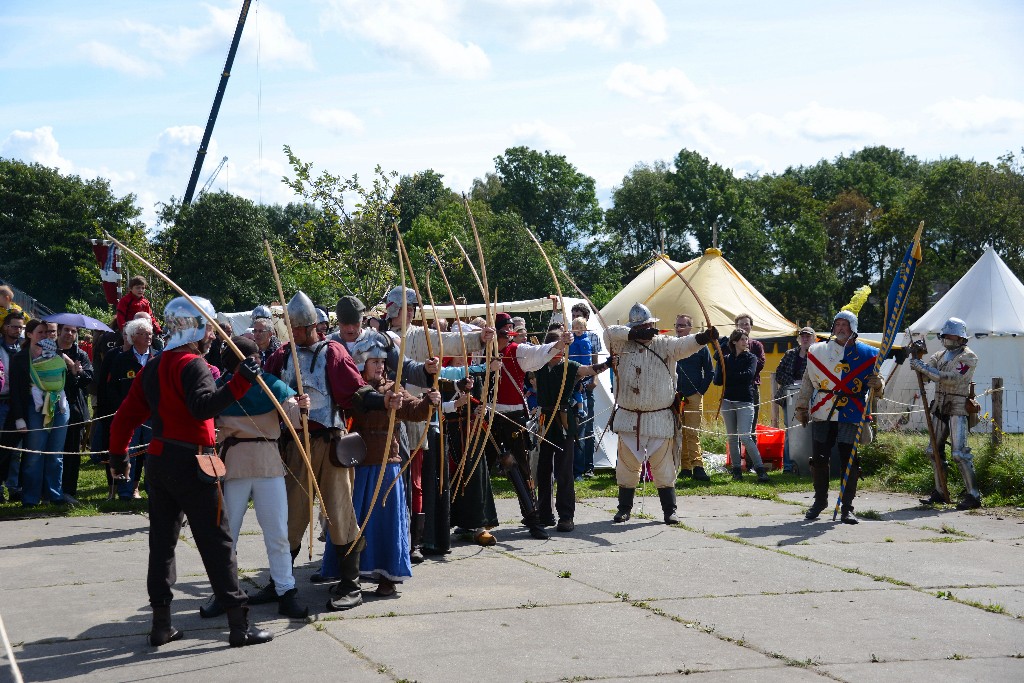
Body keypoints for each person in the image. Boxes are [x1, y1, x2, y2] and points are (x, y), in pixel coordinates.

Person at [108, 295, 272, 648]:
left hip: (159, 462)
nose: (213, 336)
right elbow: (202, 408)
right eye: (209, 328)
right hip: (194, 463)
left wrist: (119, 456)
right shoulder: (193, 364)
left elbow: (124, 418)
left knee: (162, 546)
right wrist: (241, 381)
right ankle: (239, 625)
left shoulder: (153, 365)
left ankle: (161, 626)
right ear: (196, 327)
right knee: (218, 544)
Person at [264, 291, 399, 612]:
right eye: (292, 329)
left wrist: (383, 401)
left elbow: (355, 390)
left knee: (339, 513)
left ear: (313, 325)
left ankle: (350, 585)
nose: (295, 334)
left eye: (300, 328)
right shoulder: (283, 355)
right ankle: (280, 582)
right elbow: (264, 386)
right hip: (295, 445)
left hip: (330, 444)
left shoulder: (333, 352)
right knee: (291, 518)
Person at [200, 336, 310, 620]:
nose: (258, 364)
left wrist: (301, 406)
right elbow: (206, 421)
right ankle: (223, 593)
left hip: (267, 464)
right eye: (252, 360)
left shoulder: (270, 383)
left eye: (258, 359)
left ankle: (286, 592)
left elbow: (293, 416)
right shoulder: (222, 387)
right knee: (226, 536)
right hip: (234, 466)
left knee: (277, 534)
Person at [381, 287, 490, 556]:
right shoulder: (380, 338)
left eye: (412, 308)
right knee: (396, 482)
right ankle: (394, 539)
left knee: (424, 481)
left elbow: (451, 341)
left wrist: (480, 338)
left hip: (422, 416)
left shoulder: (421, 335)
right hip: (392, 417)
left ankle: (421, 539)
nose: (409, 312)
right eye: (406, 307)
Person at [604, 303, 717, 524]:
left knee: (664, 467)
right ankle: (624, 508)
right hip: (629, 418)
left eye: (646, 326)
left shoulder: (665, 344)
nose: (644, 331)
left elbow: (685, 344)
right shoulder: (620, 343)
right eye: (639, 328)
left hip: (659, 418)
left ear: (652, 325)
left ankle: (669, 510)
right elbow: (607, 332)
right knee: (627, 468)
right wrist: (634, 333)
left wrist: (704, 337)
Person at [346, 333, 437, 596]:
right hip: (359, 465)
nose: (380, 366)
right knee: (356, 521)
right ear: (361, 363)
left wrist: (427, 403)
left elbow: (413, 410)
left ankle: (387, 576)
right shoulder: (354, 389)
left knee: (388, 523)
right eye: (373, 361)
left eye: (382, 361)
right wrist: (385, 403)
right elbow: (356, 406)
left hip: (388, 465)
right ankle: (351, 573)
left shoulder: (393, 387)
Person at [481, 312, 571, 539]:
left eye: (511, 330)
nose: (510, 334)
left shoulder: (516, 351)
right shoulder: (481, 351)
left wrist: (560, 343)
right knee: (479, 468)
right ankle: (473, 521)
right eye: (506, 330)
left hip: (513, 416)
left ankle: (533, 521)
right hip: (488, 416)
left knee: (521, 469)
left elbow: (537, 352)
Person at [795, 311, 883, 524]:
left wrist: (878, 384)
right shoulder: (818, 351)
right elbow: (807, 381)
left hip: (851, 411)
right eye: (838, 324)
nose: (841, 328)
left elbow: (878, 386)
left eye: (845, 325)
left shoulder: (869, 354)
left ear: (853, 328)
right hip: (823, 410)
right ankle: (820, 501)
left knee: (849, 460)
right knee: (819, 459)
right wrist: (801, 407)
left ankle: (847, 507)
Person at [534, 331, 612, 532]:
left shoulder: (570, 367)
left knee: (564, 471)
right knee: (543, 470)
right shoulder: (538, 365)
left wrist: (609, 364)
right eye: (556, 347)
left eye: (563, 347)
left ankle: (566, 516)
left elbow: (589, 370)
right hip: (545, 420)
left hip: (563, 421)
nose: (561, 351)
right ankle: (544, 514)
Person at [911, 317, 982, 510]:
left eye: (951, 334)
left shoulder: (968, 357)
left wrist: (922, 367)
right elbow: (926, 374)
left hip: (958, 406)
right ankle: (940, 491)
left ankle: (973, 495)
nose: (947, 337)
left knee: (959, 453)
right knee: (933, 451)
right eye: (945, 334)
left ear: (960, 337)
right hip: (940, 405)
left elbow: (952, 379)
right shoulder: (940, 355)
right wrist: (916, 358)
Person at [8, 320, 70, 507]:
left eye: (47, 332)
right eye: (40, 332)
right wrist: (19, 418)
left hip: (58, 407)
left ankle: (54, 494)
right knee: (34, 454)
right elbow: (16, 391)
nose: (45, 335)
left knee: (55, 453)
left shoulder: (55, 353)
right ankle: (31, 498)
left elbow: (64, 377)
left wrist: (73, 367)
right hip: (35, 410)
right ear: (29, 334)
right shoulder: (20, 358)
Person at [107, 317, 157, 500]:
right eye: (143, 334)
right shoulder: (122, 359)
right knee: (131, 452)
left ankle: (154, 491)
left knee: (152, 454)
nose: (148, 337)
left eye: (150, 334)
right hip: (130, 414)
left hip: (153, 415)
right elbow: (111, 387)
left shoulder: (157, 358)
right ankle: (126, 492)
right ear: (133, 336)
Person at [715, 329, 770, 483]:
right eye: (742, 339)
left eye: (746, 339)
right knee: (732, 438)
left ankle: (760, 470)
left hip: (745, 401)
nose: (746, 342)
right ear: (734, 342)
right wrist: (719, 362)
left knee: (745, 436)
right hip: (728, 401)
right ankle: (736, 470)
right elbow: (718, 380)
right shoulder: (726, 358)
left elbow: (748, 376)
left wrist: (730, 375)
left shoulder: (751, 358)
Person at [674, 314, 714, 482]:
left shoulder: (700, 346)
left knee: (692, 432)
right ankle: (685, 467)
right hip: (676, 395)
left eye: (683, 325)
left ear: (690, 328)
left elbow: (710, 371)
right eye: (677, 325)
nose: (679, 328)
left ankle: (698, 466)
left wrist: (700, 391)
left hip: (693, 394)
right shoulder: (672, 345)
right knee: (680, 432)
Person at [56, 324, 93, 503]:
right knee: (52, 451)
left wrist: (75, 370)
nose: (69, 334)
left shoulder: (81, 354)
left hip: (75, 408)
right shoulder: (50, 351)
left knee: (72, 452)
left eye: (73, 331)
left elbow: (88, 379)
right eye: (66, 331)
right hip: (51, 407)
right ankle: (49, 490)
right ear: (59, 332)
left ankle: (69, 490)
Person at [775, 327, 815, 473]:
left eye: (808, 337)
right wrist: (792, 382)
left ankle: (811, 463)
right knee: (790, 430)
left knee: (811, 429)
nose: (805, 339)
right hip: (789, 396)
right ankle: (788, 465)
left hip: (811, 397)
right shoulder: (790, 354)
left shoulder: (817, 354)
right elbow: (779, 374)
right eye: (803, 336)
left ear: (813, 338)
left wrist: (804, 384)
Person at [0, 311, 26, 502]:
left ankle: (14, 487)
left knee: (16, 449)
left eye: (21, 327)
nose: (18, 330)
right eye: (15, 326)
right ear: (5, 327)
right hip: (1, 401)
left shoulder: (23, 348)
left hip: (17, 402)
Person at [733, 313, 766, 426]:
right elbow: (726, 364)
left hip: (751, 387)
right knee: (735, 427)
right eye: (740, 324)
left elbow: (760, 364)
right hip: (733, 388)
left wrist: (747, 357)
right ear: (736, 326)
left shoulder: (756, 345)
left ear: (751, 326)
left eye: (746, 324)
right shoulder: (730, 345)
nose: (744, 326)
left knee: (751, 426)